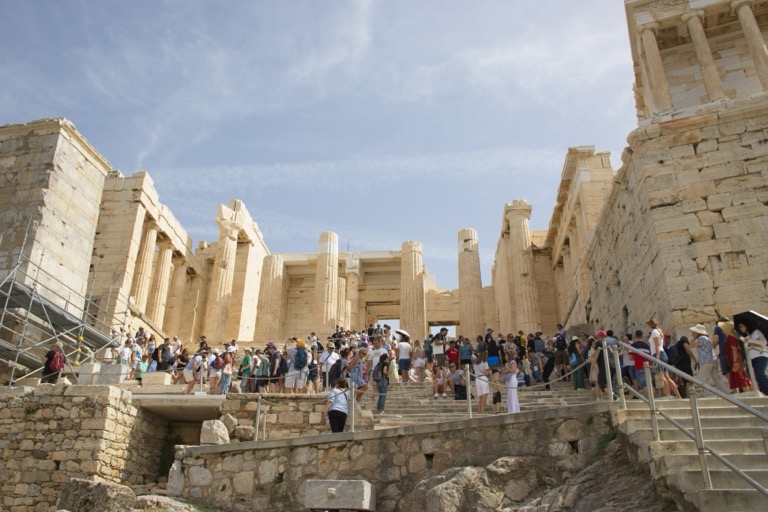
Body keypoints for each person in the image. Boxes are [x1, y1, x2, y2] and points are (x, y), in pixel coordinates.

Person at [689, 323, 730, 394]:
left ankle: (709, 394)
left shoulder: (701, 338)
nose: (692, 333)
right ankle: (727, 392)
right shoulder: (707, 338)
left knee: (703, 379)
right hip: (713, 360)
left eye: (694, 332)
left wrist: (694, 337)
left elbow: (691, 345)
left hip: (706, 361)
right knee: (717, 378)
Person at [647, 318, 681, 398]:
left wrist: (657, 358)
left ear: (650, 325)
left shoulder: (654, 332)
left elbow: (656, 345)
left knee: (661, 375)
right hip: (662, 354)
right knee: (667, 377)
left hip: (658, 354)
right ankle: (678, 395)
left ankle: (667, 395)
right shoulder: (658, 331)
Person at [739, 320, 768, 395]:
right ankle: (765, 392)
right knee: (755, 377)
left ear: (746, 325)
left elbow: (764, 342)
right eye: (739, 327)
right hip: (751, 358)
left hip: (761, 356)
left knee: (760, 374)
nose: (740, 328)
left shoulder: (756, 332)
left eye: (741, 326)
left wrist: (750, 340)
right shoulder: (748, 336)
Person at [722, 321, 752, 393]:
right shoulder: (731, 336)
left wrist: (735, 361)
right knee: (737, 375)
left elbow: (734, 349)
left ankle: (747, 392)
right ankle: (740, 392)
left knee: (740, 375)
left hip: (735, 358)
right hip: (734, 358)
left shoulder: (731, 337)